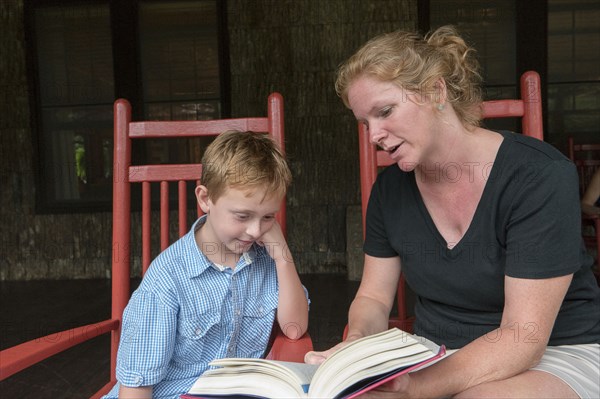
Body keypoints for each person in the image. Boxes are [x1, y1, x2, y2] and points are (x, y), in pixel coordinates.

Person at [305, 26, 600, 398]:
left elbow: (523, 337)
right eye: (365, 123)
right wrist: (359, 343)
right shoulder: (389, 192)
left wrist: (416, 387)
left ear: (436, 91)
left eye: (385, 111)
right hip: (435, 354)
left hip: (554, 354)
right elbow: (374, 299)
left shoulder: (536, 176)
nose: (373, 135)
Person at [103, 130, 309, 399]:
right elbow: (136, 388)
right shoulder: (167, 278)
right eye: (243, 215)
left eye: (268, 216)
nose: (256, 230)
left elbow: (295, 328)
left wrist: (282, 257)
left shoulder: (266, 260)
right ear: (205, 199)